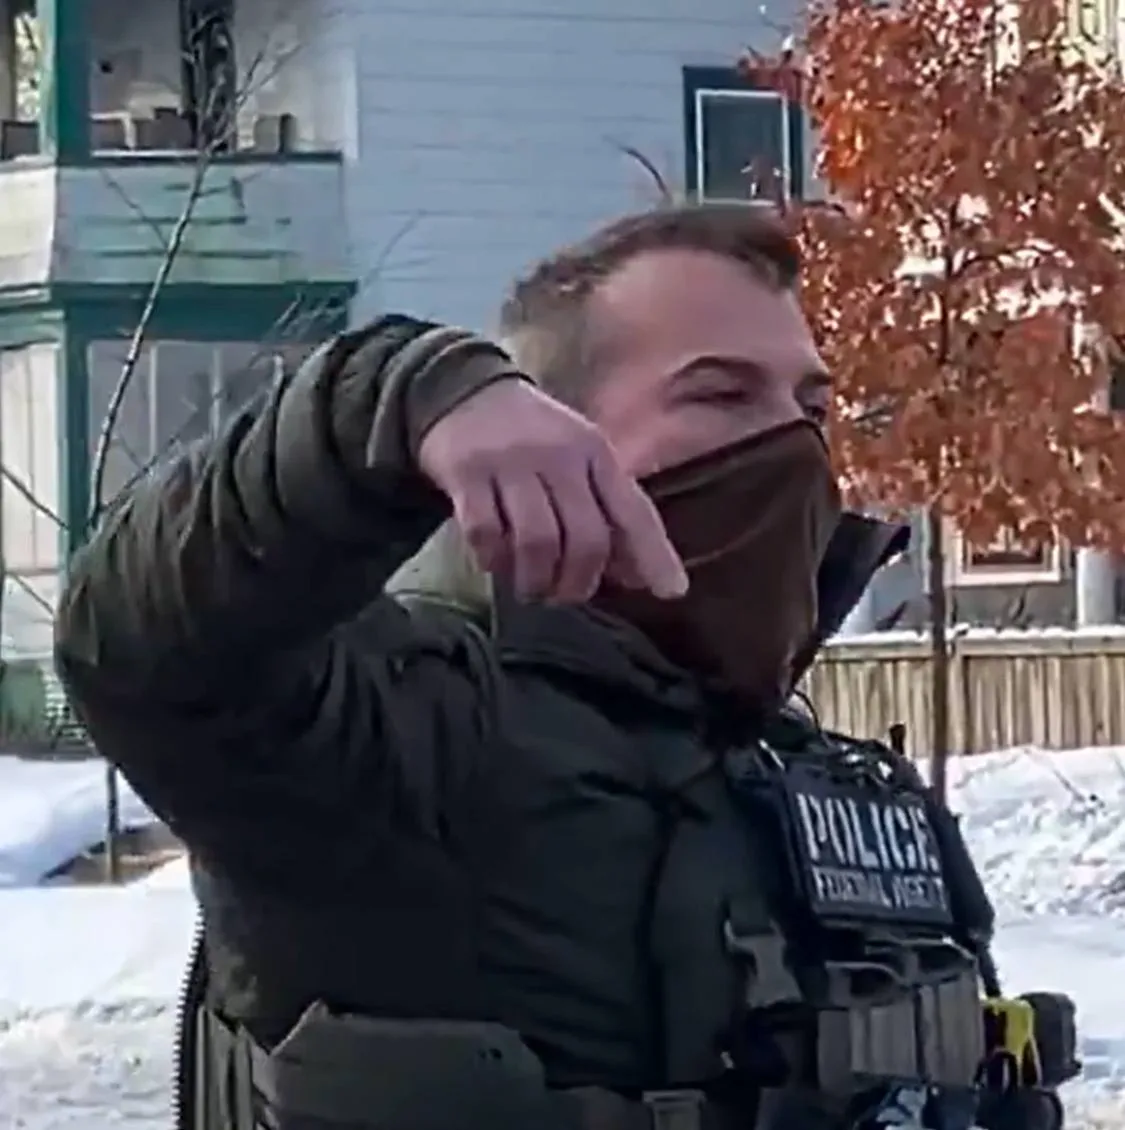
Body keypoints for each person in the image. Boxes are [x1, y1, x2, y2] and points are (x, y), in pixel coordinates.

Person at [54, 204, 1054, 1130]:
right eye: (720, 392)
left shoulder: (810, 778)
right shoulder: (405, 735)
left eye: (813, 406)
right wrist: (397, 398)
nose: (793, 444)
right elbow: (143, 645)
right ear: (553, 433)